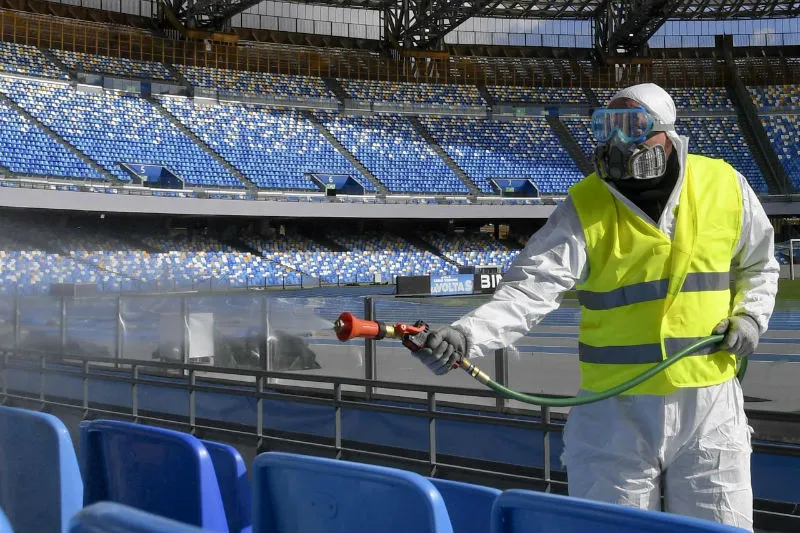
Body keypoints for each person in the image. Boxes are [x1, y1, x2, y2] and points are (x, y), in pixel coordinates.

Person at [412, 83, 779, 531]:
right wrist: (468, 334)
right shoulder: (585, 204)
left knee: (722, 526)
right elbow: (529, 290)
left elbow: (759, 265)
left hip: (709, 407)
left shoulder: (724, 185)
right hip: (614, 413)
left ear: (667, 135)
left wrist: (751, 316)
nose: (617, 143)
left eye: (631, 128)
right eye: (608, 129)